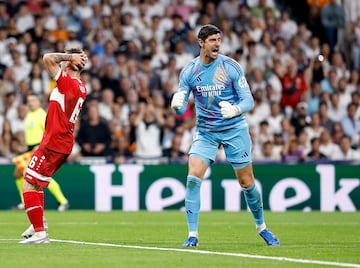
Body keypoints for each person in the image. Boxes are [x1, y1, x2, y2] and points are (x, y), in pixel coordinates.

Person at [170, 24, 280, 247]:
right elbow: (181, 108)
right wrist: (176, 106)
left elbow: (248, 100)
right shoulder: (190, 71)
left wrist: (236, 109)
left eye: (219, 40)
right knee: (193, 178)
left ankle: (262, 227)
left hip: (234, 128)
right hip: (206, 131)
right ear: (201, 42)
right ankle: (192, 235)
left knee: (247, 182)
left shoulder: (231, 66)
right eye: (212, 40)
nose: (217, 44)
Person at [19, 47, 88, 244]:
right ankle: (38, 223)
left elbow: (47, 57)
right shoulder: (80, 86)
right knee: (36, 182)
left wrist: (70, 57)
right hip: (60, 142)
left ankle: (40, 233)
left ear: (72, 64)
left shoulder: (68, 83)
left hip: (54, 142)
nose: (62, 61)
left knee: (28, 184)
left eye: (66, 59)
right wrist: (72, 58)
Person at [12, 93, 69, 212]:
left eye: (33, 100)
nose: (30, 102)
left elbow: (49, 131)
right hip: (30, 148)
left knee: (39, 176)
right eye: (29, 100)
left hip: (39, 147)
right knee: (19, 174)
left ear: (39, 102)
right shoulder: (29, 115)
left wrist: (40, 145)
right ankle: (25, 202)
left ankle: (63, 201)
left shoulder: (42, 115)